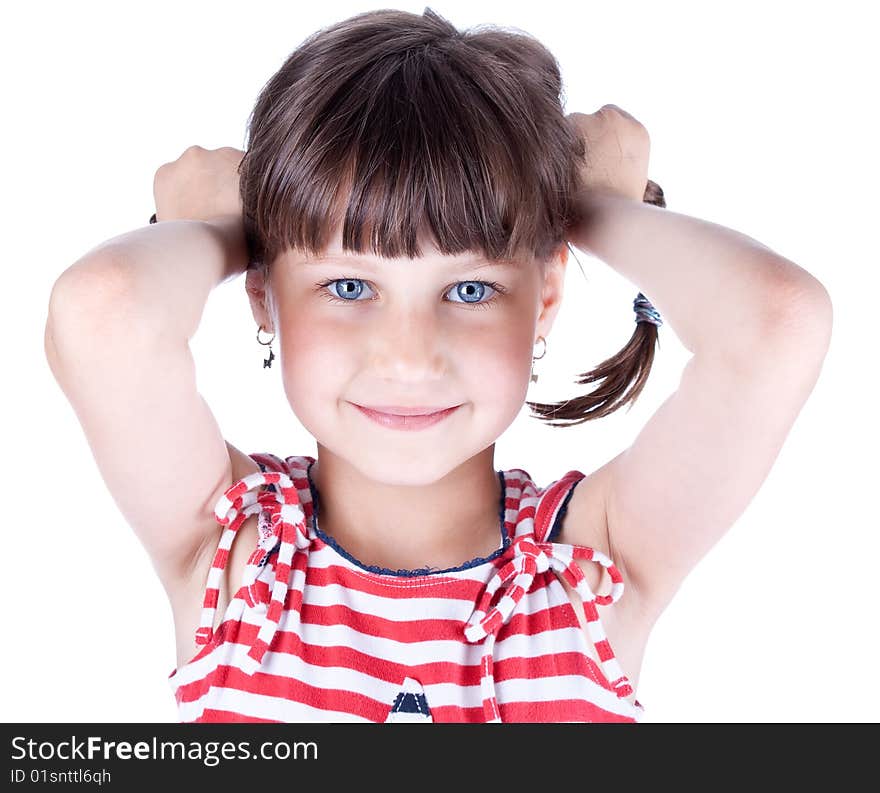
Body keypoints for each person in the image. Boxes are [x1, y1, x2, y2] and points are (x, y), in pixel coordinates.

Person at [44, 8, 832, 723]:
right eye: (349, 285)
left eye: (469, 286)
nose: (410, 357)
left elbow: (777, 323)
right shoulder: (236, 559)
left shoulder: (591, 569)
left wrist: (588, 203)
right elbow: (101, 310)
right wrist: (226, 224)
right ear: (264, 299)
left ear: (545, 297)